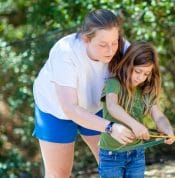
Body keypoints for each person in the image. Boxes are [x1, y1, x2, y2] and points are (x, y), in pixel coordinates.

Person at [32, 9, 135, 178]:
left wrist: (159, 122)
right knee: (59, 174)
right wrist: (110, 127)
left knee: (115, 166)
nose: (110, 50)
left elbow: (144, 88)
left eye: (114, 42)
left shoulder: (124, 49)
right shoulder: (65, 53)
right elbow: (70, 108)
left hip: (95, 106)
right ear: (86, 39)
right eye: (102, 45)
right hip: (56, 111)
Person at [99, 41, 175, 178]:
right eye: (137, 71)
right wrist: (136, 125)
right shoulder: (114, 83)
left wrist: (168, 129)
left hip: (137, 155)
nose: (141, 77)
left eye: (146, 74)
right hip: (111, 156)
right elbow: (112, 106)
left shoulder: (144, 90)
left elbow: (158, 116)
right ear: (128, 65)